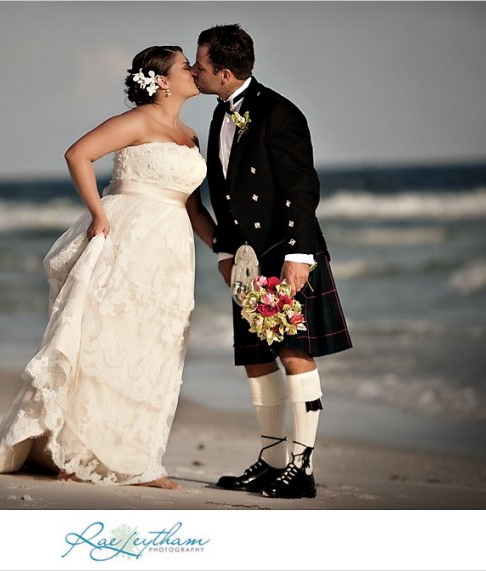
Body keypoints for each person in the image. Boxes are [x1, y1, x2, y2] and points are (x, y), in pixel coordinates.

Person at [0, 45, 216, 489]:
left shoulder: (191, 135)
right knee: (107, 339)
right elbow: (78, 154)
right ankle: (76, 452)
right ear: (161, 80)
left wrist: (226, 248)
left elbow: (196, 210)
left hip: (172, 249)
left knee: (154, 347)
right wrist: (99, 214)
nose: (194, 72)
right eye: (185, 66)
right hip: (127, 237)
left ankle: (141, 460)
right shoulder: (138, 120)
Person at [191, 24, 352, 499]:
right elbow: (223, 192)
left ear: (223, 72)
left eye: (200, 65)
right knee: (257, 360)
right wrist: (224, 250)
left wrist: (300, 255)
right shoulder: (222, 116)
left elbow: (302, 188)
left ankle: (300, 468)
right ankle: (272, 459)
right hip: (248, 258)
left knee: (293, 354)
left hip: (286, 252)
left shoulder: (280, 113)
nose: (193, 72)